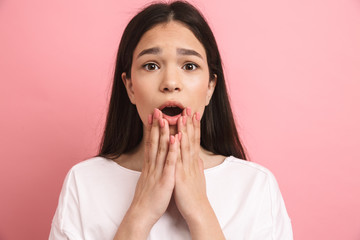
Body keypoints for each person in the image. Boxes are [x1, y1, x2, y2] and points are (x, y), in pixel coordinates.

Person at [49, 1, 293, 239]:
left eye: (189, 65)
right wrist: (141, 212)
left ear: (210, 87)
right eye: (151, 65)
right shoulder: (83, 183)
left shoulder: (256, 187)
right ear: (130, 87)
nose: (170, 83)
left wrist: (199, 210)